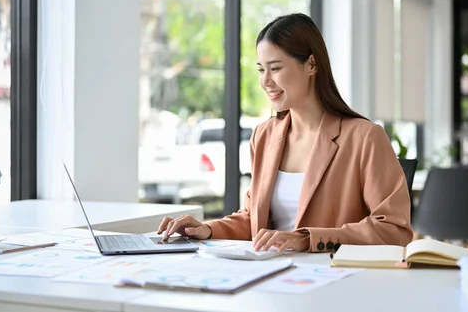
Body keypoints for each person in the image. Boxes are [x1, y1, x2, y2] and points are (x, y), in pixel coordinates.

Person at [158, 13, 413, 253]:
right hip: (269, 277)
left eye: (276, 68)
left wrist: (306, 239)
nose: (265, 81)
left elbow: (394, 230)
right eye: (261, 69)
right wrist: (207, 229)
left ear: (311, 64)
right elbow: (252, 220)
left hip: (334, 279)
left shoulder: (364, 137)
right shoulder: (264, 136)